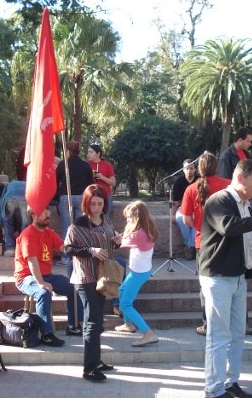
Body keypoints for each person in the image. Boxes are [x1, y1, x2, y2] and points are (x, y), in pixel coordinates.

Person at [199, 159, 252, 398]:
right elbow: (230, 227)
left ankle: (230, 382)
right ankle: (213, 390)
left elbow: (251, 243)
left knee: (237, 333)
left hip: (237, 277)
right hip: (217, 277)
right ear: (240, 177)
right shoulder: (219, 200)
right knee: (218, 335)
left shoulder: (245, 204)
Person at [64, 184, 118, 382]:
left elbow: (110, 239)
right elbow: (68, 249)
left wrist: (117, 240)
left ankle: (96, 361)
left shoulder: (106, 219)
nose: (97, 207)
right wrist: (91, 250)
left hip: (102, 276)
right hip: (85, 277)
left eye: (100, 203)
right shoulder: (78, 224)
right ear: (86, 203)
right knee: (93, 322)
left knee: (96, 321)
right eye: (93, 203)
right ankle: (89, 369)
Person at [14, 205, 83, 347]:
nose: (48, 213)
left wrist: (77, 244)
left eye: (48, 210)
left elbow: (65, 248)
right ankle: (47, 334)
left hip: (46, 275)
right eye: (44, 211)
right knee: (43, 292)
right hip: (26, 277)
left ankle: (73, 325)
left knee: (74, 288)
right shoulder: (28, 234)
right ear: (34, 215)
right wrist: (41, 282)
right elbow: (32, 261)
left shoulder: (49, 233)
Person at [180, 152, 230, 336]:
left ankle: (208, 324)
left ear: (198, 168)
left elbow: (186, 219)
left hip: (204, 242)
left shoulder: (192, 188)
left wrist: (200, 227)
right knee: (231, 283)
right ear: (216, 167)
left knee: (206, 285)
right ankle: (238, 322)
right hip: (227, 240)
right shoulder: (227, 184)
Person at [114, 200, 159, 347]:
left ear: (137, 218)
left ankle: (148, 333)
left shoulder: (139, 234)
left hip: (138, 273)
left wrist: (114, 237)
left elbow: (119, 243)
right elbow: (126, 236)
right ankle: (128, 325)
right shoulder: (146, 228)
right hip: (140, 271)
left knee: (125, 304)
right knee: (121, 291)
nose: (127, 221)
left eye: (129, 218)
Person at [56, 140, 94, 265]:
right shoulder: (85, 165)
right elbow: (90, 184)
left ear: (68, 151)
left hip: (65, 197)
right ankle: (81, 257)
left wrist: (56, 198)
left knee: (66, 228)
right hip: (81, 198)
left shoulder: (63, 164)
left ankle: (66, 258)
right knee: (80, 228)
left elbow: (56, 182)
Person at [171, 158, 199, 260]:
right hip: (182, 207)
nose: (189, 170)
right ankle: (192, 246)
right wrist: (172, 214)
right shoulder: (178, 181)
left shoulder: (199, 180)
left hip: (197, 208)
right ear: (183, 169)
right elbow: (175, 200)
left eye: (191, 168)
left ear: (195, 169)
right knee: (179, 219)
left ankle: (189, 246)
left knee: (197, 219)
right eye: (187, 168)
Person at [0, 180, 28, 257]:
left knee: (8, 223)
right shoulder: (25, 184)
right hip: (25, 198)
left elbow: (1, 207)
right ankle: (24, 249)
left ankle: (10, 249)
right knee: (25, 224)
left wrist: (2, 225)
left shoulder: (8, 187)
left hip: (10, 198)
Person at [87, 144, 116, 217]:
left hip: (106, 196)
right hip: (91, 196)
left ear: (98, 154)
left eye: (91, 152)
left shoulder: (107, 165)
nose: (88, 154)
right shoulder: (86, 165)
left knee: (106, 219)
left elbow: (113, 183)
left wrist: (102, 177)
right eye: (88, 152)